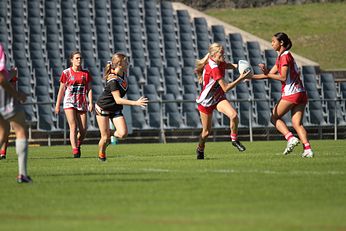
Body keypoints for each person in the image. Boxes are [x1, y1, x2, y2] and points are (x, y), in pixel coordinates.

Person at [252, 32, 313, 158]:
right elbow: (268, 74)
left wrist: (268, 74)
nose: (272, 44)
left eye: (273, 41)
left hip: (291, 93)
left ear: (281, 43)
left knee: (274, 117)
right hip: (300, 93)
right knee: (297, 124)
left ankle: (290, 138)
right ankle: (307, 149)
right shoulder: (282, 56)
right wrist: (250, 77)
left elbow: (283, 77)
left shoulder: (284, 56)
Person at [195, 42, 251, 160]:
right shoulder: (214, 68)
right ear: (214, 55)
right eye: (221, 54)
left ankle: (234, 139)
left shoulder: (217, 61)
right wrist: (241, 78)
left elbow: (227, 65)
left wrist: (239, 67)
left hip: (218, 98)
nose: (223, 56)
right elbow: (225, 88)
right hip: (206, 102)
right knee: (206, 132)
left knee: (234, 115)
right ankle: (200, 148)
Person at [95, 52, 148, 161]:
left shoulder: (123, 74)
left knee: (123, 133)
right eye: (125, 61)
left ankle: (107, 133)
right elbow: (118, 100)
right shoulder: (113, 80)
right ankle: (101, 155)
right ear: (119, 63)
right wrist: (136, 103)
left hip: (114, 109)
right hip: (103, 107)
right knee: (104, 138)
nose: (127, 63)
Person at [0, 43, 32, 183]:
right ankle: (22, 174)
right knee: (20, 129)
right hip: (2, 98)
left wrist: (9, 73)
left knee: (4, 130)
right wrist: (17, 95)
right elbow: (1, 79)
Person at [55, 51, 93, 158]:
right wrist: (57, 104)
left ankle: (78, 143)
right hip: (69, 102)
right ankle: (75, 150)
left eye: (80, 58)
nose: (79, 60)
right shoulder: (66, 73)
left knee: (83, 130)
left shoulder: (86, 74)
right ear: (71, 60)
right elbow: (61, 90)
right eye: (76, 58)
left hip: (82, 102)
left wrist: (90, 102)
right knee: (73, 126)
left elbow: (89, 89)